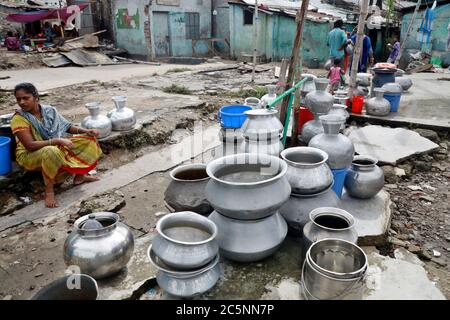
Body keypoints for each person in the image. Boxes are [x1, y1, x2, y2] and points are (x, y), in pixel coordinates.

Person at [11, 83, 102, 208]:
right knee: (51, 151)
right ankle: (49, 191)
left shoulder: (50, 111)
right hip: (29, 155)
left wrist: (86, 131)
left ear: (36, 98)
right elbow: (30, 145)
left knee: (89, 140)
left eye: (26, 98)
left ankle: (80, 177)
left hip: (54, 146)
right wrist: (57, 141)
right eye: (18, 99)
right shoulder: (18, 119)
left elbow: (68, 126)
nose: (21, 102)